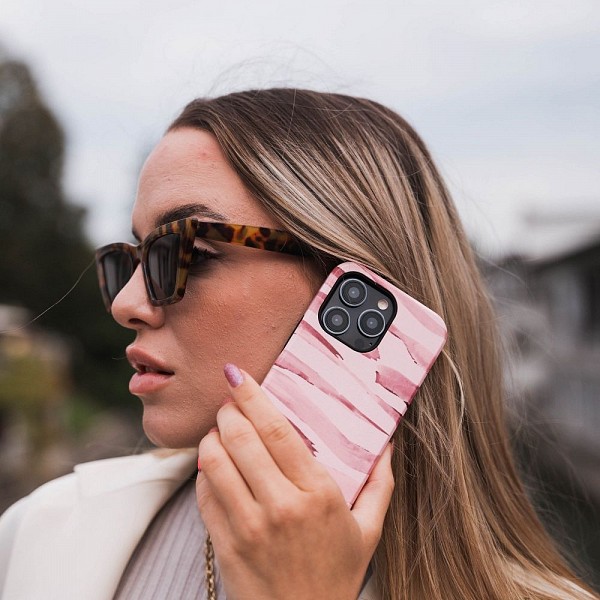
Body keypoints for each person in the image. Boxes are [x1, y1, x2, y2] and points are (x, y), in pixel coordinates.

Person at [0, 88, 597, 600]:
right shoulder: (39, 534)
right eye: (130, 258)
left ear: (359, 280)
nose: (126, 303)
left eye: (187, 253)